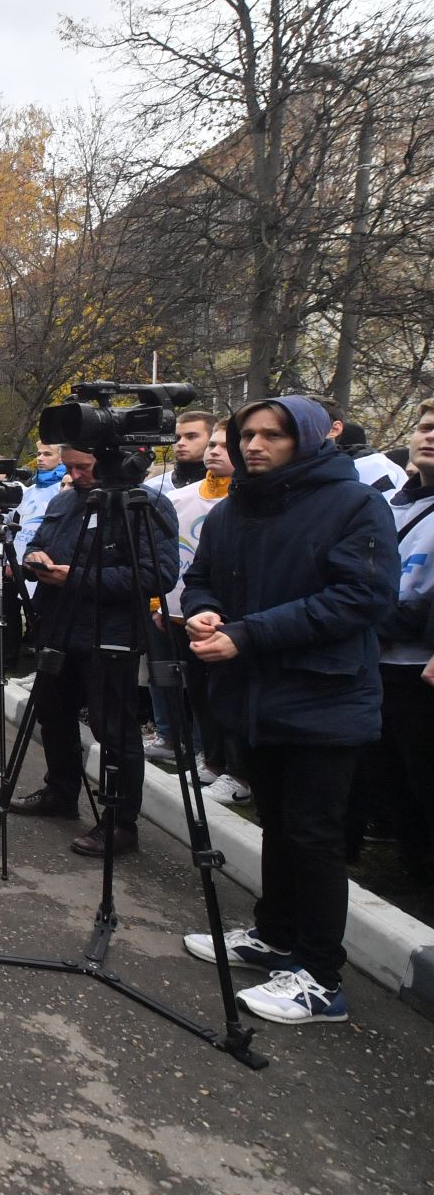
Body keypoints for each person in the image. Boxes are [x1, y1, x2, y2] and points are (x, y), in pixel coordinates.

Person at [180, 396, 398, 1025]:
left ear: (306, 439)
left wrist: (247, 634)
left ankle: (321, 978)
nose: (254, 446)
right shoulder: (235, 507)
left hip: (325, 697)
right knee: (277, 821)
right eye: (247, 434)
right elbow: (202, 577)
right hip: (256, 696)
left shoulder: (353, 504)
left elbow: (361, 598)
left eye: (272, 436)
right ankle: (275, 937)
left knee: (314, 836)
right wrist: (204, 607)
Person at [6, 444, 179, 858]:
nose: (76, 474)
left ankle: (120, 824)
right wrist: (36, 559)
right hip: (58, 627)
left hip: (111, 634)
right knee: (53, 715)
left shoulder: (145, 504)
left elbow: (160, 574)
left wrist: (78, 577)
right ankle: (60, 793)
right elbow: (40, 542)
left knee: (113, 731)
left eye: (84, 467)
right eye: (71, 467)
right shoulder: (67, 499)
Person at [369, 397, 434, 881]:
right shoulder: (389, 501)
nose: (429, 436)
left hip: (420, 663)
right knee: (388, 774)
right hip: (378, 660)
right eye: (426, 426)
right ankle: (409, 868)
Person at [155, 423, 236, 796]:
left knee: (223, 693)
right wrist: (158, 601)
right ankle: (201, 754)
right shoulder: (180, 497)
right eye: (213, 445)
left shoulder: (243, 503)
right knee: (191, 689)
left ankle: (229, 766)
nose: (214, 451)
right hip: (179, 610)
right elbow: (166, 555)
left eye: (222, 444)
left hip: (229, 620)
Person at [145, 410, 215, 494]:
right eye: (177, 438)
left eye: (191, 437)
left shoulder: (228, 488)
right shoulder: (153, 488)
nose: (180, 443)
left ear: (213, 439)